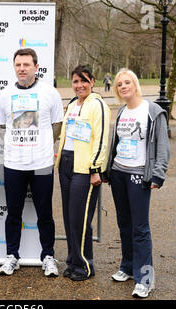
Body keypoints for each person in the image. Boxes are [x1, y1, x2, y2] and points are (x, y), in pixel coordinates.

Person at [0, 48, 64, 277]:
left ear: (36, 67)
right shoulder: (4, 95)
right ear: (14, 67)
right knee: (13, 213)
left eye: (26, 65)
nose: (22, 69)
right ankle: (12, 256)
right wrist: (18, 144)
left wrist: (40, 145)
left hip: (42, 163)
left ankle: (48, 256)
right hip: (14, 164)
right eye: (18, 65)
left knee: (45, 213)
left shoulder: (49, 93)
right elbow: (1, 127)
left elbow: (57, 126)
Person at [104, 68, 170, 298]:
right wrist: (108, 169)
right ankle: (128, 267)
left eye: (127, 82)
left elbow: (162, 145)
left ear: (135, 84)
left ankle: (145, 278)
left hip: (139, 175)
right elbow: (116, 142)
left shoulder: (152, 111)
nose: (123, 86)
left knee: (140, 228)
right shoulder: (122, 111)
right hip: (119, 173)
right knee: (124, 224)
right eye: (120, 84)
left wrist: (158, 174)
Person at [54, 65, 110, 281]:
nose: (79, 85)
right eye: (75, 81)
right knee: (69, 217)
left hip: (85, 168)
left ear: (93, 81)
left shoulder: (98, 105)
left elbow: (101, 139)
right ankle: (73, 261)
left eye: (84, 81)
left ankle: (84, 265)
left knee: (81, 218)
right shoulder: (71, 105)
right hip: (66, 164)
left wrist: (96, 170)